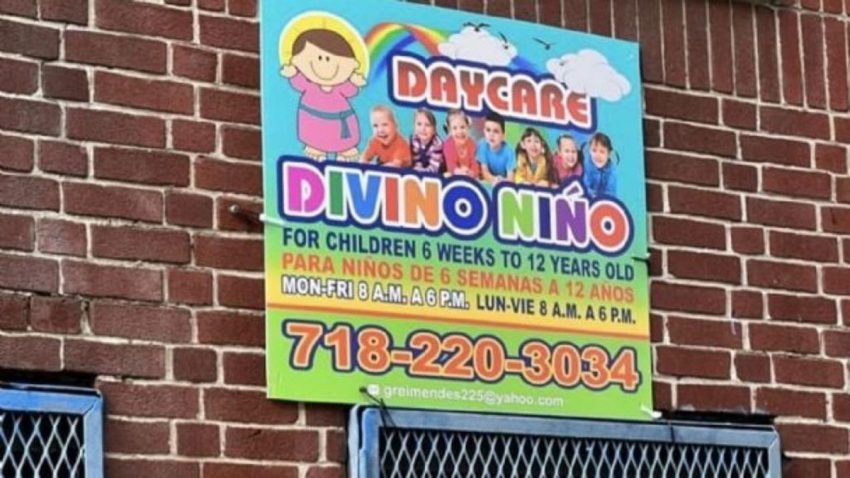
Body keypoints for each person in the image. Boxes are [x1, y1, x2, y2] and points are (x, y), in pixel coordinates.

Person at [280, 27, 366, 161]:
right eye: (319, 57)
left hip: (341, 125)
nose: (324, 62)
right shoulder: (309, 86)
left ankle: (345, 150)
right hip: (313, 121)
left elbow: (351, 91)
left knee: (344, 144)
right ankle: (315, 147)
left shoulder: (341, 87)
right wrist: (292, 74)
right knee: (314, 138)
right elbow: (298, 83)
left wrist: (355, 82)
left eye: (329, 58)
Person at [476, 111, 516, 184]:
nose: (491, 135)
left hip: (504, 182)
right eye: (488, 130)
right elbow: (484, 172)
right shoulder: (482, 145)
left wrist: (502, 181)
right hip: (490, 181)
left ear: (503, 136)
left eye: (496, 131)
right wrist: (494, 179)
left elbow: (511, 179)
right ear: (484, 131)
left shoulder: (509, 151)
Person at [443, 109, 479, 178]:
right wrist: (459, 171)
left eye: (462, 127)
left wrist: (471, 172)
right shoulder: (448, 145)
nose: (459, 131)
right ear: (450, 131)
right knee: (447, 175)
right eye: (455, 128)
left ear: (468, 127)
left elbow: (475, 165)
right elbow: (450, 165)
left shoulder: (472, 144)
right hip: (453, 173)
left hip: (468, 174)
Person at [583, 132, 617, 198]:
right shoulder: (586, 166)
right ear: (589, 151)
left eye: (602, 152)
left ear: (609, 154)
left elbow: (611, 193)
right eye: (594, 150)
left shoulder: (612, 171)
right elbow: (584, 187)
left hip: (603, 200)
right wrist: (592, 195)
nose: (597, 155)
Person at [409, 108, 444, 174]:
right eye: (419, 124)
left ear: (434, 130)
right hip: (423, 167)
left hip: (437, 168)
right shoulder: (414, 139)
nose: (423, 129)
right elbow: (416, 160)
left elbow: (434, 169)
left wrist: (420, 171)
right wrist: (418, 167)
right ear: (414, 126)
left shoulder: (437, 144)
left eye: (427, 125)